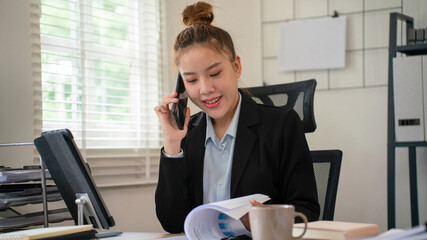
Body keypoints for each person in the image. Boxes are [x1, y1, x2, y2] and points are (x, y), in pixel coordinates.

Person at [154, 1, 320, 234]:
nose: (205, 89)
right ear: (181, 86)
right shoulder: (187, 135)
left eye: (215, 73)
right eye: (191, 80)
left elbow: (308, 211)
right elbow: (172, 223)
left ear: (236, 66)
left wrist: (265, 219)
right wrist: (172, 145)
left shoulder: (282, 126)